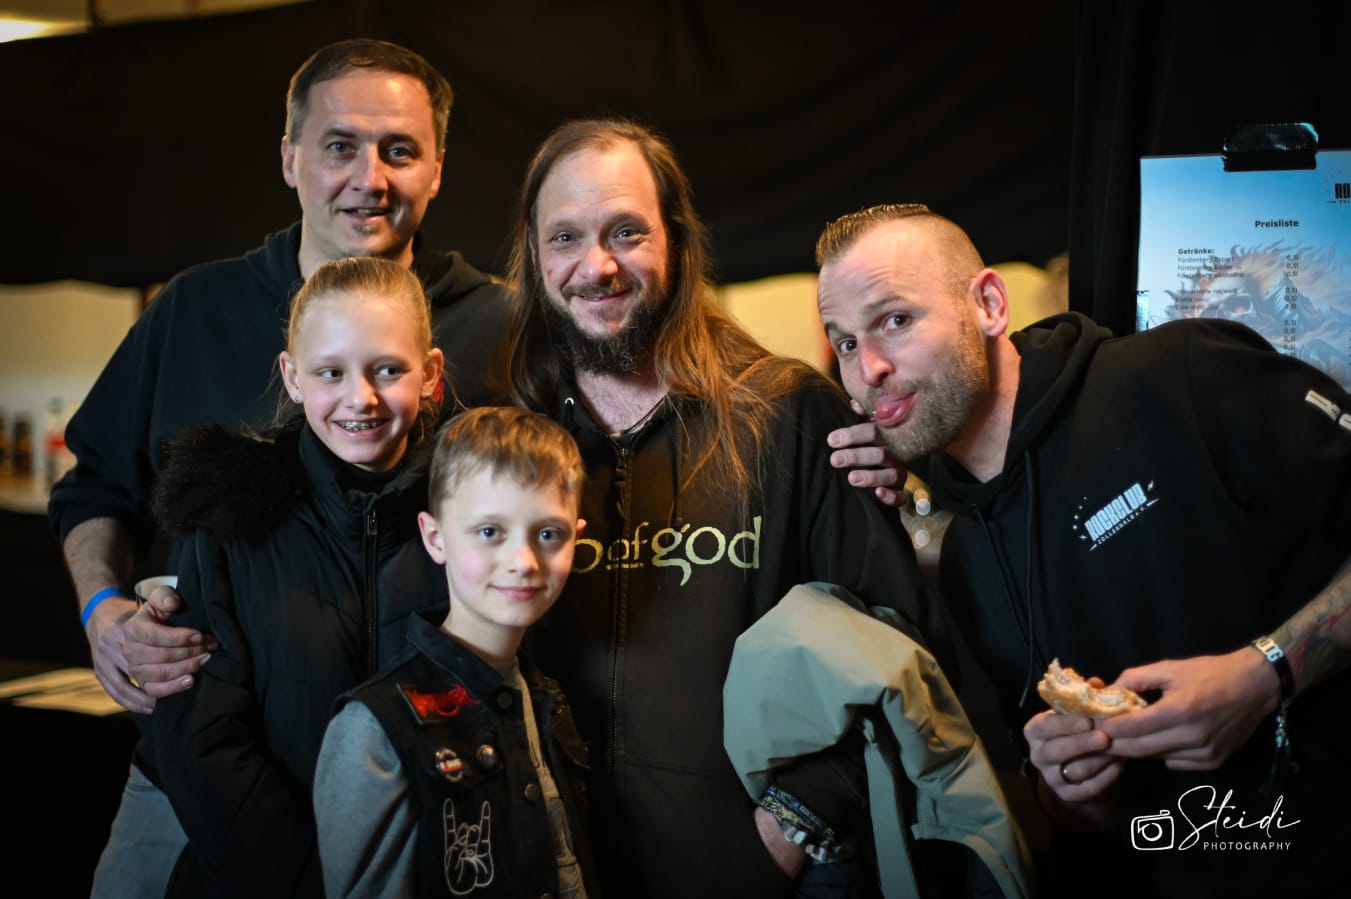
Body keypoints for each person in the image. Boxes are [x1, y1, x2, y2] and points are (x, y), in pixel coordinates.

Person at [48, 38, 506, 897]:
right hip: (193, 774)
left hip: (421, 783)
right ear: (290, 159)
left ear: (437, 168)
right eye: (340, 145)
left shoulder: (503, 325)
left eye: (399, 150)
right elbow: (96, 486)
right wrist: (104, 611)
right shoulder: (195, 308)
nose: (369, 177)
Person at [814, 202, 1351, 897]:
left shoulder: (1178, 375)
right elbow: (1079, 815)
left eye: (894, 320)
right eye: (845, 343)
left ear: (987, 304)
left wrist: (1266, 672)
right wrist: (1069, 785)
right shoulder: (966, 557)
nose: (869, 368)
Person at [497, 118, 955, 897]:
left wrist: (796, 821)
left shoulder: (787, 411)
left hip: (769, 876)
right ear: (535, 256)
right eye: (565, 237)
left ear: (675, 240)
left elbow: (893, 640)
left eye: (627, 232)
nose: (596, 266)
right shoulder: (511, 440)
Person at [147, 255, 451, 897]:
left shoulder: (474, 514)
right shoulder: (228, 518)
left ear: (430, 374)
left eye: (388, 369)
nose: (360, 398)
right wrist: (310, 883)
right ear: (292, 376)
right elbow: (201, 742)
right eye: (330, 372)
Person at [313, 405, 600, 899]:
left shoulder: (545, 696)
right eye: (490, 532)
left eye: (548, 534)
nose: (523, 561)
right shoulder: (373, 728)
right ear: (435, 537)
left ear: (576, 537)